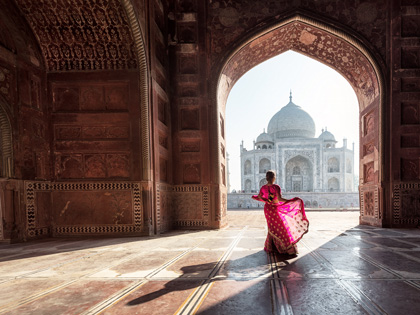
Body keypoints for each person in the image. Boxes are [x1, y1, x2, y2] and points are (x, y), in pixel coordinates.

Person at [252, 170, 309, 256]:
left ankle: (272, 246)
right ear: (274, 178)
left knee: (272, 227)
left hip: (267, 209)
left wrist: (266, 201)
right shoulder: (276, 187)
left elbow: (260, 197)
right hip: (274, 208)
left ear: (266, 178)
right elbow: (279, 199)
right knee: (281, 226)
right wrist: (290, 201)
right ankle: (285, 246)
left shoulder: (263, 188)